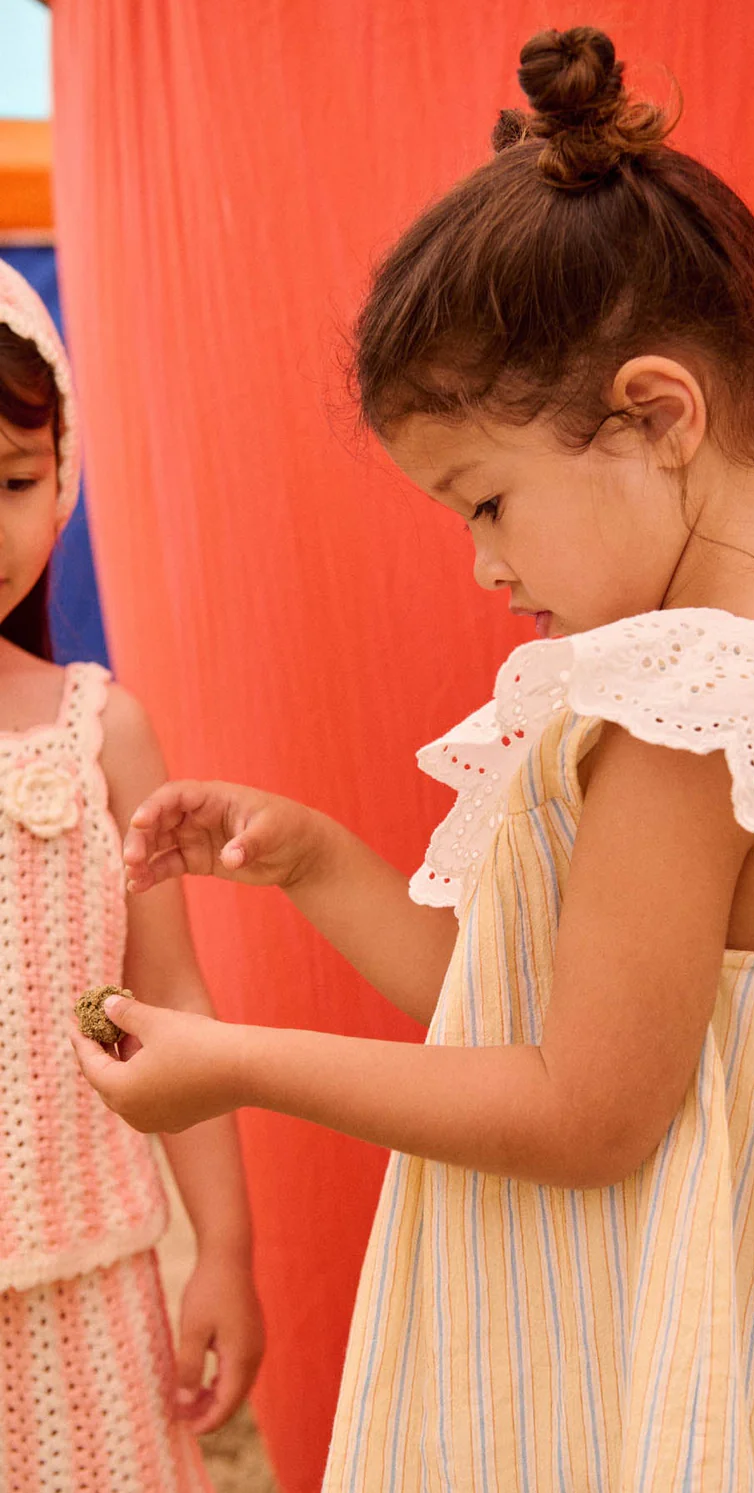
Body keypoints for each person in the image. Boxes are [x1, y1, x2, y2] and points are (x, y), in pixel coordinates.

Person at [72, 27, 754, 1492]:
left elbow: (584, 1108)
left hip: (668, 1382)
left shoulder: (695, 704)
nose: (484, 567)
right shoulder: (750, 669)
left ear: (656, 415)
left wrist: (237, 1065)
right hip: (696, 1350)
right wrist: (316, 860)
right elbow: (523, 1010)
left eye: (486, 502)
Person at [0, 258, 264, 1489]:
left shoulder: (100, 732)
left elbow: (171, 1001)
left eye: (12, 481)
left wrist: (227, 1246)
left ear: (61, 481)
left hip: (92, 1287)